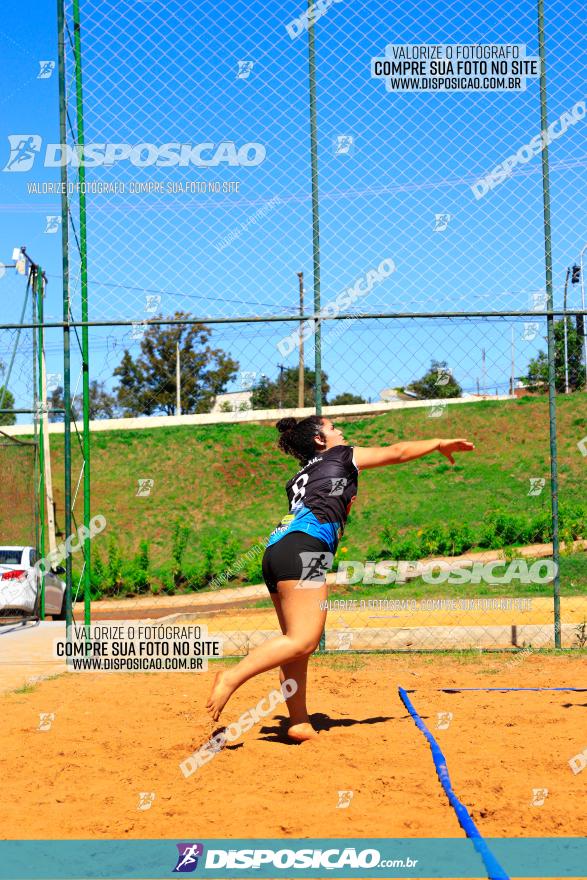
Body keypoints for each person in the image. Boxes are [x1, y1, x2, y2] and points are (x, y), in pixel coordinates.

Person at [206, 415, 474, 740]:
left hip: (277, 550)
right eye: (333, 428)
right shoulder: (343, 454)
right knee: (303, 640)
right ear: (320, 439)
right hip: (307, 548)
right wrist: (438, 443)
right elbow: (399, 451)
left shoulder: (300, 475)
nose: (340, 431)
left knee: (295, 645)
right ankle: (231, 678)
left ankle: (299, 722)